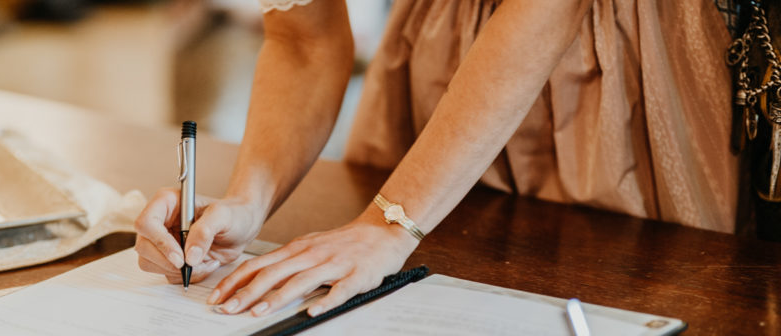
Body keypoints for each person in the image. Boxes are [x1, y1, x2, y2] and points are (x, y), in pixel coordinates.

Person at [133, 0, 734, 318]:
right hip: (442, 66)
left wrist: (389, 222)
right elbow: (303, 38)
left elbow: (551, 7)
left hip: (615, 68)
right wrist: (248, 198)